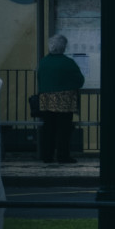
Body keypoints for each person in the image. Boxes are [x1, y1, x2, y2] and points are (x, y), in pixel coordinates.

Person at [35, 34, 83, 165]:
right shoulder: (68, 63)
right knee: (64, 130)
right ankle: (63, 156)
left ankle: (47, 155)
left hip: (46, 99)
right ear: (63, 47)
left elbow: (39, 79)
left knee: (48, 128)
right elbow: (80, 81)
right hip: (65, 101)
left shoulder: (43, 62)